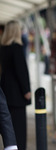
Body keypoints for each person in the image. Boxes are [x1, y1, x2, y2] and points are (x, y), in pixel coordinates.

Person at [0, 20, 31, 150]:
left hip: (5, 90)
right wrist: (26, 90)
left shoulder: (2, 48)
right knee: (18, 129)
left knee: (8, 125)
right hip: (17, 94)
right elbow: (21, 71)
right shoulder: (16, 47)